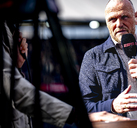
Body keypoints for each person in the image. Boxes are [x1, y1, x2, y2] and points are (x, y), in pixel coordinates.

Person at [1, 21, 130, 128]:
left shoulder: (6, 25)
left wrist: (15, 65)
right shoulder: (92, 56)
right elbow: (18, 92)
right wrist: (77, 115)